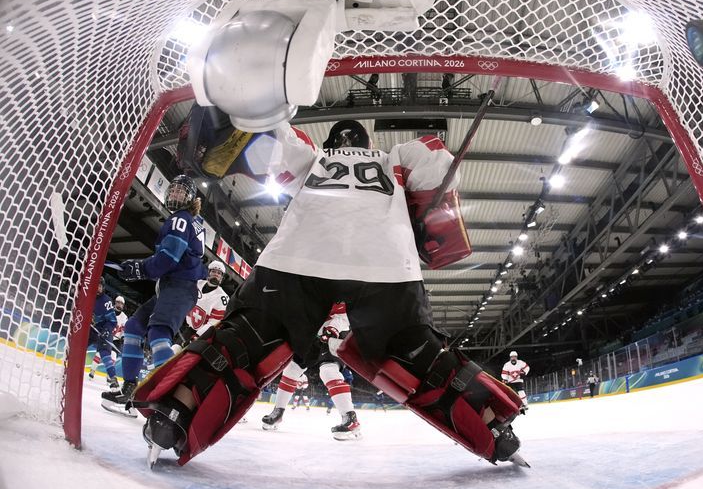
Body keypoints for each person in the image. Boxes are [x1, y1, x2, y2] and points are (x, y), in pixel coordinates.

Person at [134, 119, 525, 467]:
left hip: (299, 257)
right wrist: (420, 210)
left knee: (245, 341)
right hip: (386, 263)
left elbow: (273, 144)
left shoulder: (314, 157)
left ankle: (174, 414)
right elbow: (438, 163)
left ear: (333, 141)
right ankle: (494, 429)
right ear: (367, 141)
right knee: (416, 357)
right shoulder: (395, 158)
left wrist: (238, 117)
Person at [101, 175, 205, 416]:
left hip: (180, 286)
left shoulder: (181, 219)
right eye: (174, 190)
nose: (175, 195)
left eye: (181, 192)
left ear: (190, 198)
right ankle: (129, 389)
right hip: (171, 287)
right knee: (135, 327)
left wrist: (139, 268)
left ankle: (166, 399)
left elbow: (168, 259)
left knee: (158, 332)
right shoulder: (191, 220)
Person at [263, 303, 362, 440]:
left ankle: (350, 419)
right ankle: (278, 411)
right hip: (314, 333)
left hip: (337, 331)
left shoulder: (340, 285)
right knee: (292, 369)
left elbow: (346, 312)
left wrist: (334, 327)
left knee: (328, 370)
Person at [176, 260, 229, 345]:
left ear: (222, 277)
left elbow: (213, 323)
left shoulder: (222, 298)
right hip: (188, 328)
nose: (216, 274)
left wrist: (196, 337)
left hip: (203, 336)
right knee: (173, 350)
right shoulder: (197, 283)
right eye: (213, 271)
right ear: (208, 273)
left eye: (219, 273)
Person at [85, 277, 119, 390]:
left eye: (100, 286)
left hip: (103, 329)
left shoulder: (106, 301)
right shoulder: (87, 296)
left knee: (104, 353)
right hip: (89, 329)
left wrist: (106, 330)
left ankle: (113, 379)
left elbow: (113, 321)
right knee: (79, 346)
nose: (98, 289)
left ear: (103, 287)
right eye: (96, 286)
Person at [88, 294, 127, 380]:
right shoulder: (109, 311)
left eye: (121, 303)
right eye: (118, 302)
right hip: (106, 336)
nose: (119, 305)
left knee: (113, 356)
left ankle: (109, 376)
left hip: (116, 340)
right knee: (99, 354)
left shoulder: (124, 317)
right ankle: (92, 371)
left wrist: (123, 337)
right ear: (115, 303)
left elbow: (124, 329)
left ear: (123, 306)